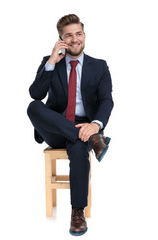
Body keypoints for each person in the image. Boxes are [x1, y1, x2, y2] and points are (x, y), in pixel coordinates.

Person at [27, 14, 114, 236]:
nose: (74, 39)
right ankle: (95, 142)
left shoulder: (99, 66)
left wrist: (95, 125)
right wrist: (50, 63)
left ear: (84, 35)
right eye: (68, 35)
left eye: (78, 34)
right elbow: (36, 94)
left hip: (86, 127)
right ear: (61, 39)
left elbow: (106, 100)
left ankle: (77, 211)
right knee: (33, 107)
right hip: (56, 127)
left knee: (77, 150)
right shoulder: (50, 61)